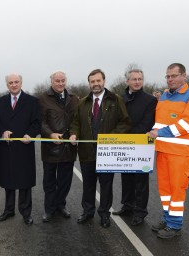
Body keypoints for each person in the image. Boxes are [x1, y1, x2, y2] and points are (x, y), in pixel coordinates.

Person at [69, 69, 131, 228]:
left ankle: (104, 213)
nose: (96, 84)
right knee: (88, 184)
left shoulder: (115, 100)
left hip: (107, 153)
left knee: (106, 185)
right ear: (89, 83)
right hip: (86, 152)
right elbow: (76, 122)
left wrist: (110, 138)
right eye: (92, 81)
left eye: (98, 81)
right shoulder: (83, 102)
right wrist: (74, 134)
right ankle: (88, 212)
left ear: (104, 81)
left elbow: (124, 122)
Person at [149, 63, 189, 239]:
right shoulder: (163, 95)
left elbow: (187, 124)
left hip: (179, 153)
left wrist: (158, 133)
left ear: (184, 76)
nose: (170, 79)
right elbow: (158, 121)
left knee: (177, 190)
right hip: (162, 151)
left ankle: (175, 226)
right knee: (165, 190)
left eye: (174, 76)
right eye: (168, 76)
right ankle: (167, 218)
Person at [0, 73, 41, 225]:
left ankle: (26, 213)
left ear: (21, 82)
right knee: (8, 181)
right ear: (7, 85)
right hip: (7, 148)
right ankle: (9, 210)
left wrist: (30, 134)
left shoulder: (32, 101)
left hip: (24, 147)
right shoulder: (0, 102)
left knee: (25, 182)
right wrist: (2, 132)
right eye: (11, 82)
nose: (14, 84)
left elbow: (37, 123)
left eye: (16, 82)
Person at [112, 68, 157, 226]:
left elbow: (147, 123)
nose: (137, 82)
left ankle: (140, 211)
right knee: (126, 177)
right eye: (134, 79)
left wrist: (128, 137)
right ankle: (128, 206)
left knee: (141, 181)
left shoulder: (150, 100)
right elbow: (116, 120)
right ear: (127, 82)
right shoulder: (120, 99)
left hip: (142, 145)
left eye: (140, 79)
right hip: (125, 145)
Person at [38, 71, 79, 222]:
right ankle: (49, 209)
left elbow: (77, 121)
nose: (60, 83)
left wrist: (74, 133)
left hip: (69, 148)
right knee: (49, 181)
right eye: (57, 81)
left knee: (65, 181)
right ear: (51, 82)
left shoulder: (74, 99)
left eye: (63, 81)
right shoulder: (43, 99)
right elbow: (40, 122)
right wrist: (50, 134)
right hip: (50, 148)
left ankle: (61, 205)